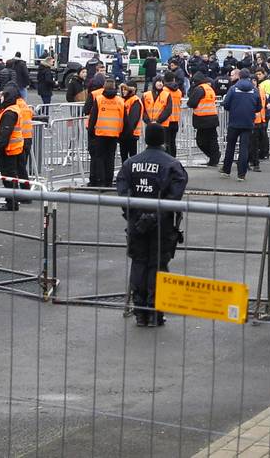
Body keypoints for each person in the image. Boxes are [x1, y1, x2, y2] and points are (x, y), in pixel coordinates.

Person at [118, 124, 189, 326]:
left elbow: (123, 194)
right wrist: (154, 216)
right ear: (163, 140)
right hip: (163, 225)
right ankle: (156, 312)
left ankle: (140, 312)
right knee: (158, 265)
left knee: (139, 263)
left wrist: (137, 216)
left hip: (136, 224)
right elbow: (174, 196)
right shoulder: (172, 165)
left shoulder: (130, 164)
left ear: (146, 139)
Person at [0, 86, 30, 209]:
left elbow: (4, 133)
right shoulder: (11, 109)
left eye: (3, 95)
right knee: (16, 173)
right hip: (15, 147)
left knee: (8, 177)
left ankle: (12, 202)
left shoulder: (9, 112)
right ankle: (21, 197)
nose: (1, 97)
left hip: (9, 149)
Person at [221, 69, 261, 181]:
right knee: (244, 148)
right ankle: (241, 174)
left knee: (230, 146)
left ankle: (226, 170)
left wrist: (232, 109)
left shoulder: (233, 89)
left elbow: (226, 104)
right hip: (248, 122)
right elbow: (259, 107)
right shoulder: (254, 90)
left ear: (239, 76)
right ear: (249, 77)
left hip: (234, 121)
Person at [86, 77, 125, 188]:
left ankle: (101, 181)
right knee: (110, 158)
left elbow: (93, 116)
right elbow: (123, 118)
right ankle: (109, 181)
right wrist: (121, 132)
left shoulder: (99, 99)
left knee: (99, 158)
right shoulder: (120, 101)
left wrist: (91, 130)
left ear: (104, 86)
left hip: (100, 133)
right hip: (114, 134)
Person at [188, 73, 222, 167]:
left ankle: (214, 157)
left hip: (202, 119)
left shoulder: (199, 89)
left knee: (200, 141)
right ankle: (214, 158)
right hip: (212, 118)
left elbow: (191, 103)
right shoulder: (209, 88)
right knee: (212, 140)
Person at [253, 69, 270, 167]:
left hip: (264, 113)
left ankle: (264, 152)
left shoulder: (267, 83)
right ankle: (263, 152)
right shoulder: (261, 85)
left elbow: (266, 97)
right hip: (262, 113)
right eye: (257, 74)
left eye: (260, 74)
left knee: (263, 133)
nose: (258, 76)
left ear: (264, 74)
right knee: (262, 133)